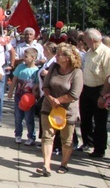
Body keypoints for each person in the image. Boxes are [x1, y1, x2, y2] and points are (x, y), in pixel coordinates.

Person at [37, 43, 83, 176]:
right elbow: (45, 85)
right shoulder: (53, 67)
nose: (56, 57)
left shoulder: (77, 72)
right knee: (47, 135)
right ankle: (46, 164)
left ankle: (64, 164)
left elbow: (74, 94)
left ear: (68, 58)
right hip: (49, 106)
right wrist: (50, 98)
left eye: (59, 55)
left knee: (66, 139)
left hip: (67, 110)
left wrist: (59, 100)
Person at [79, 28, 110, 158]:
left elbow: (109, 77)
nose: (84, 42)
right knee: (85, 118)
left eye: (85, 40)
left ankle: (99, 148)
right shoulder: (89, 52)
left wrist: (103, 96)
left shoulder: (106, 53)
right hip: (86, 88)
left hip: (100, 89)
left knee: (100, 121)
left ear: (91, 40)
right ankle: (88, 142)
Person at [9, 47, 40, 145]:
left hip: (29, 99)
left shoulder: (36, 71)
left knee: (29, 118)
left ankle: (31, 136)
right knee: (18, 117)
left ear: (33, 58)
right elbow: (14, 79)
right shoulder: (20, 67)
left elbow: (37, 85)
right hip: (19, 96)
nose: (24, 58)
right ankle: (18, 134)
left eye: (26, 57)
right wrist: (11, 91)